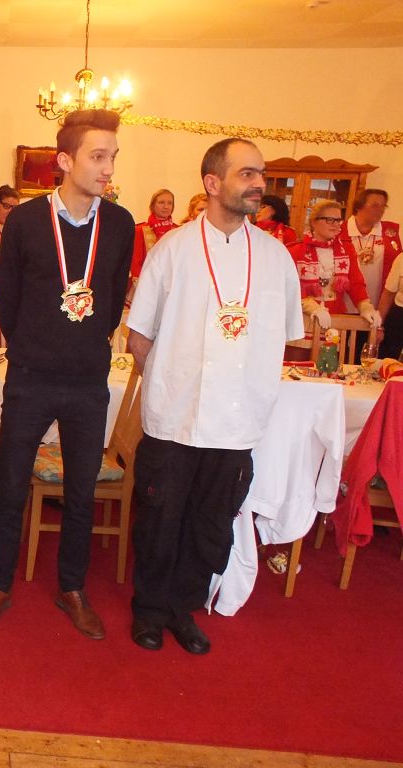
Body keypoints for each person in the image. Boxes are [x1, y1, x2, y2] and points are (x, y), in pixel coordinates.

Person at [126, 138, 303, 655]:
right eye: (247, 173)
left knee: (211, 527)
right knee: (160, 520)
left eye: (260, 174)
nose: (259, 183)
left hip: (237, 423)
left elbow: (285, 337)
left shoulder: (275, 257)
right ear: (211, 182)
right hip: (174, 419)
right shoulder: (172, 249)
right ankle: (149, 610)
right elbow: (139, 337)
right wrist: (171, 384)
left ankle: (182, 607)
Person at [0, 109, 134, 640]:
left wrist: (82, 342)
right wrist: (37, 348)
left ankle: (72, 588)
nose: (108, 168)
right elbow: (10, 300)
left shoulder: (120, 223)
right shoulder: (25, 221)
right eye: (97, 157)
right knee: (11, 486)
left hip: (88, 380)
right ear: (64, 160)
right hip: (32, 377)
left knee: (81, 492)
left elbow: (112, 302)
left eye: (113, 157)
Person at [285, 199, 380, 360]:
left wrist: (365, 306)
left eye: (338, 220)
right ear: (314, 222)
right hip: (302, 321)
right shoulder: (294, 250)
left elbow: (355, 283)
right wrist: (311, 307)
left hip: (333, 321)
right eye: (330, 220)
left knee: (328, 368)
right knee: (297, 368)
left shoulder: (346, 249)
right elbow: (288, 288)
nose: (336, 225)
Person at [342, 189, 402, 357]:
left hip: (377, 308)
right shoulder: (340, 231)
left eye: (383, 206)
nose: (380, 210)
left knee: (367, 356)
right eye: (375, 205)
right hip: (344, 306)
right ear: (359, 206)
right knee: (342, 353)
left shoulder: (392, 232)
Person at [129, 188, 177, 297]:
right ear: (152, 205)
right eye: (161, 202)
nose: (166, 206)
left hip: (173, 287)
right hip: (146, 286)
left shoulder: (178, 230)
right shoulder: (140, 230)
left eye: (170, 203)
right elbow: (136, 263)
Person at [377, 252, 403, 359]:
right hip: (399, 319)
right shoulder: (401, 258)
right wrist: (379, 327)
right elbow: (388, 294)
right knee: (389, 362)